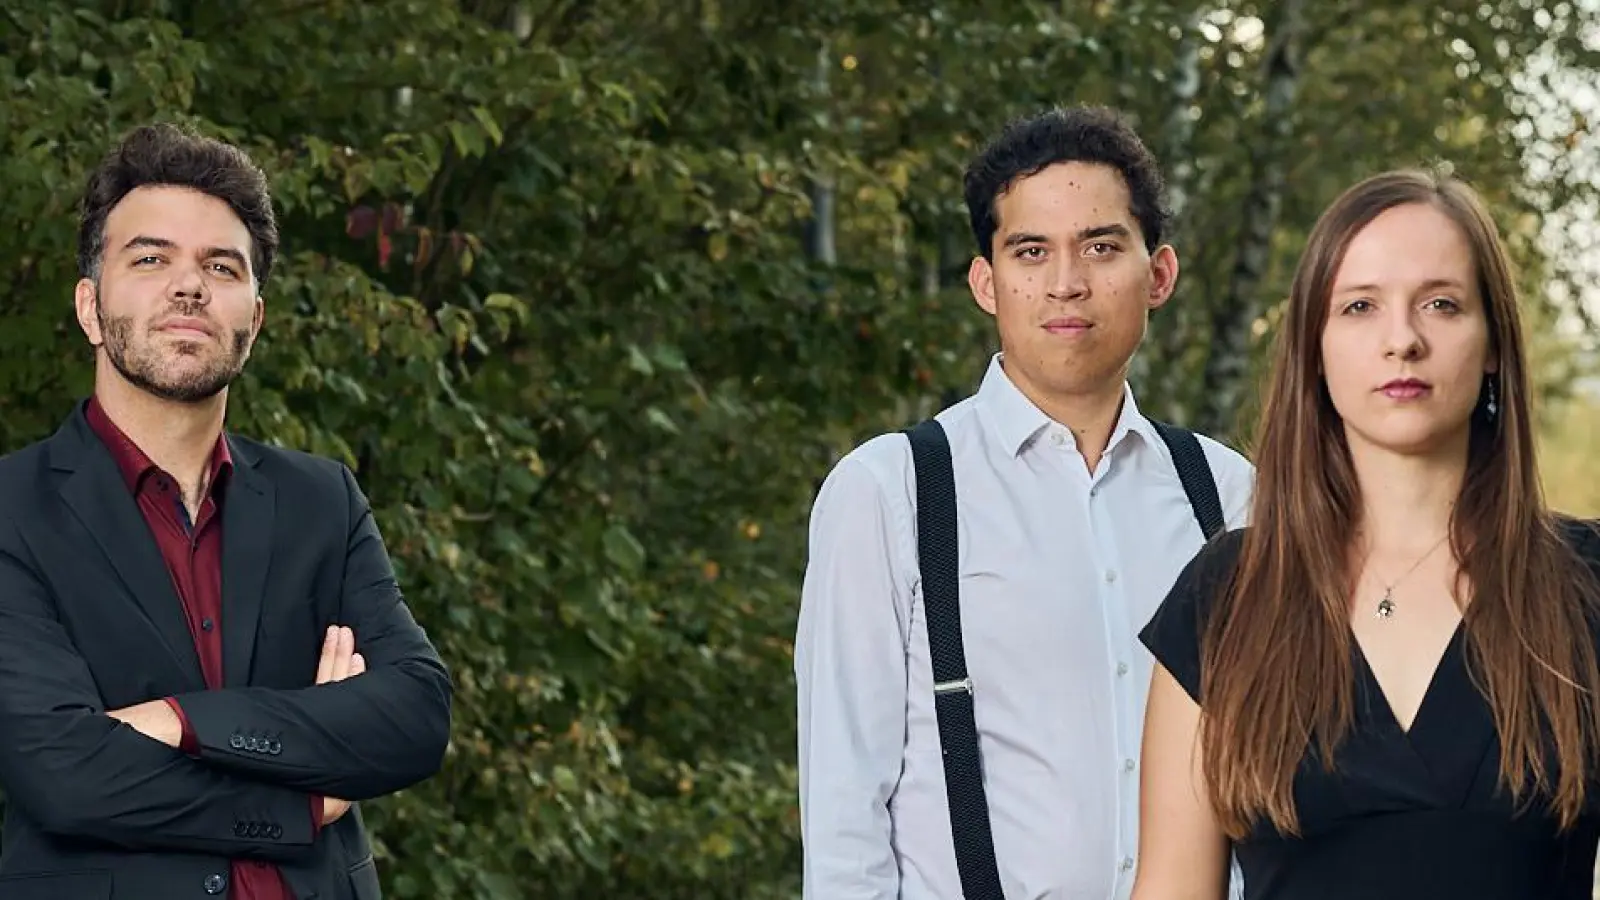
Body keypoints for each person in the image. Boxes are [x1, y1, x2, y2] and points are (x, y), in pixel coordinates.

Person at [794, 105, 1254, 900]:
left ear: (1159, 275)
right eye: (1031, 251)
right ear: (987, 283)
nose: (1066, 282)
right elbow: (845, 820)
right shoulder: (890, 492)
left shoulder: (1229, 494)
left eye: (1101, 247)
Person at [0, 123, 452, 899]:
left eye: (220, 265)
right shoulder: (13, 508)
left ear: (255, 319)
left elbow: (415, 717)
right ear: (88, 307)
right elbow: (63, 773)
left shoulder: (322, 501)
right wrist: (304, 790)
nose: (190, 286)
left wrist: (180, 722)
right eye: (150, 259)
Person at [1133, 169, 1600, 900]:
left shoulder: (1586, 587)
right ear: (1314, 349)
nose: (1402, 341)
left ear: (1493, 344)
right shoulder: (1226, 598)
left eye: (1441, 304)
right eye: (1360, 306)